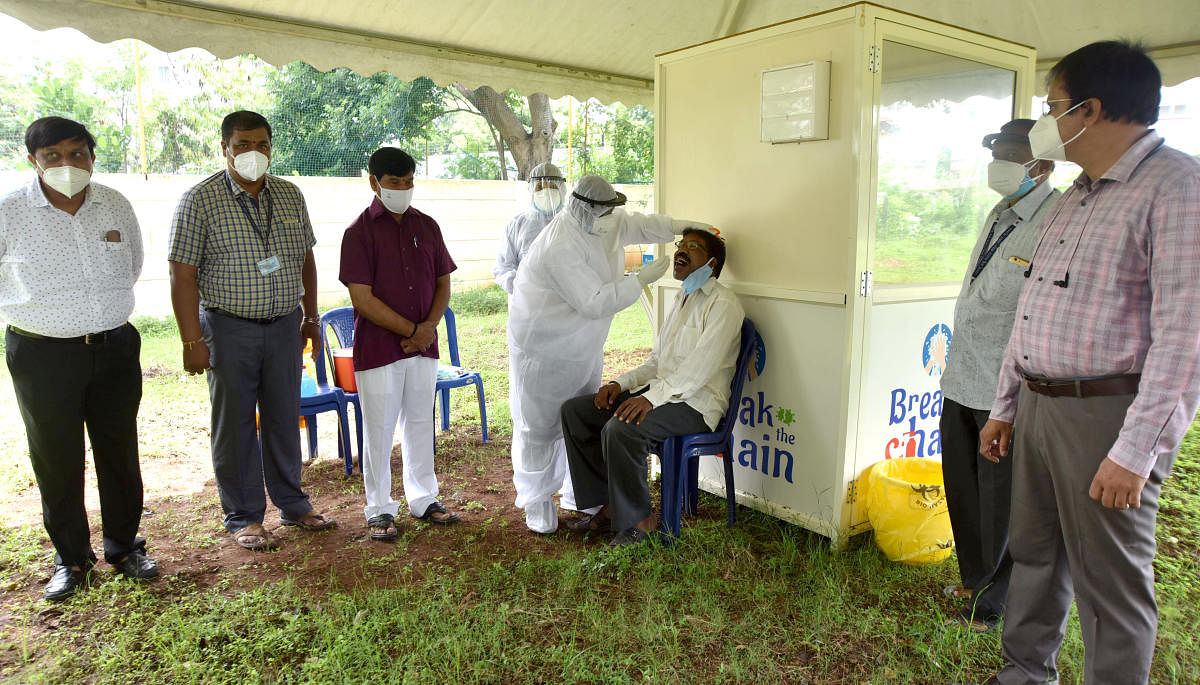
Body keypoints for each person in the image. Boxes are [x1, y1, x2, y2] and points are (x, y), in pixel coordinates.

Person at [978, 41, 1200, 684]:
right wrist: (1007, 405)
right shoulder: (1078, 194)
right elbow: (1033, 312)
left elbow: (1186, 337)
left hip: (1107, 413)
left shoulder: (1177, 187)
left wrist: (1136, 453)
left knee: (1111, 581)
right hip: (1042, 406)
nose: (1046, 122)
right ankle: (1025, 672)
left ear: (1090, 109)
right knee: (1037, 553)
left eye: (1052, 106)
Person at [0, 116, 158, 601]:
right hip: (41, 353)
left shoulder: (114, 203)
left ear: (92, 155)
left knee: (119, 450)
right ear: (33, 161)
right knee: (56, 457)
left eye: (76, 153)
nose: (66, 164)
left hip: (113, 346)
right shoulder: (9, 212)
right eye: (52, 156)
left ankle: (124, 547)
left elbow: (132, 265)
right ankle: (71, 558)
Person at [168, 110, 335, 551]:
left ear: (270, 147)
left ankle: (294, 504)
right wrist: (191, 341)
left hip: (283, 326)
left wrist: (310, 317)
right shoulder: (199, 200)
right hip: (227, 328)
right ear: (225, 148)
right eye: (242, 144)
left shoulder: (289, 195)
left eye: (261, 144)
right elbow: (181, 275)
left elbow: (305, 259)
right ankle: (244, 516)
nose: (252, 153)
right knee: (236, 424)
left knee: (284, 416)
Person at [507, 173, 708, 534]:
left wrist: (684, 226)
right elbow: (594, 301)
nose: (611, 216)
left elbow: (641, 225)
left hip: (583, 344)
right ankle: (537, 501)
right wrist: (640, 279)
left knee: (577, 414)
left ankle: (577, 495)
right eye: (604, 210)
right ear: (585, 208)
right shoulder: (559, 246)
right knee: (538, 425)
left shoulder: (605, 218)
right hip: (544, 347)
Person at [939, 119, 1058, 633]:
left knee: (1001, 499)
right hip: (962, 376)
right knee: (962, 486)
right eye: (998, 155)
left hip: (1003, 391)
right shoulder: (1001, 210)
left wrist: (1010, 402)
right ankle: (972, 577)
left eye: (1012, 157)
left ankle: (993, 602)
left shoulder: (1054, 219)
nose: (999, 167)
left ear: (1043, 166)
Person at [561, 228, 743, 545]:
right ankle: (609, 505)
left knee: (622, 428)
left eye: (693, 247)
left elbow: (698, 371)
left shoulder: (724, 305)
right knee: (578, 412)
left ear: (711, 264)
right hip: (666, 393)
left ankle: (640, 522)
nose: (682, 251)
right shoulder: (682, 297)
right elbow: (656, 363)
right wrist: (621, 384)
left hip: (698, 405)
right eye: (680, 244)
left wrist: (650, 400)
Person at [339, 147, 460, 541]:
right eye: (395, 183)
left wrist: (427, 328)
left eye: (409, 182)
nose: (403, 189)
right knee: (379, 428)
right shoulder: (358, 233)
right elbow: (363, 299)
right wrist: (413, 329)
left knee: (421, 422)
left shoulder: (427, 226)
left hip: (423, 346)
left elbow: (443, 282)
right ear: (373, 182)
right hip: (379, 349)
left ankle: (424, 498)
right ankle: (378, 508)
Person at [492, 162, 566, 294]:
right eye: (540, 187)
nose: (546, 192)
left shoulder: (573, 223)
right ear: (531, 190)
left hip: (566, 305)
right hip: (527, 306)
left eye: (552, 186)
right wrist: (525, 289)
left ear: (562, 189)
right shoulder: (516, 225)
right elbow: (503, 267)